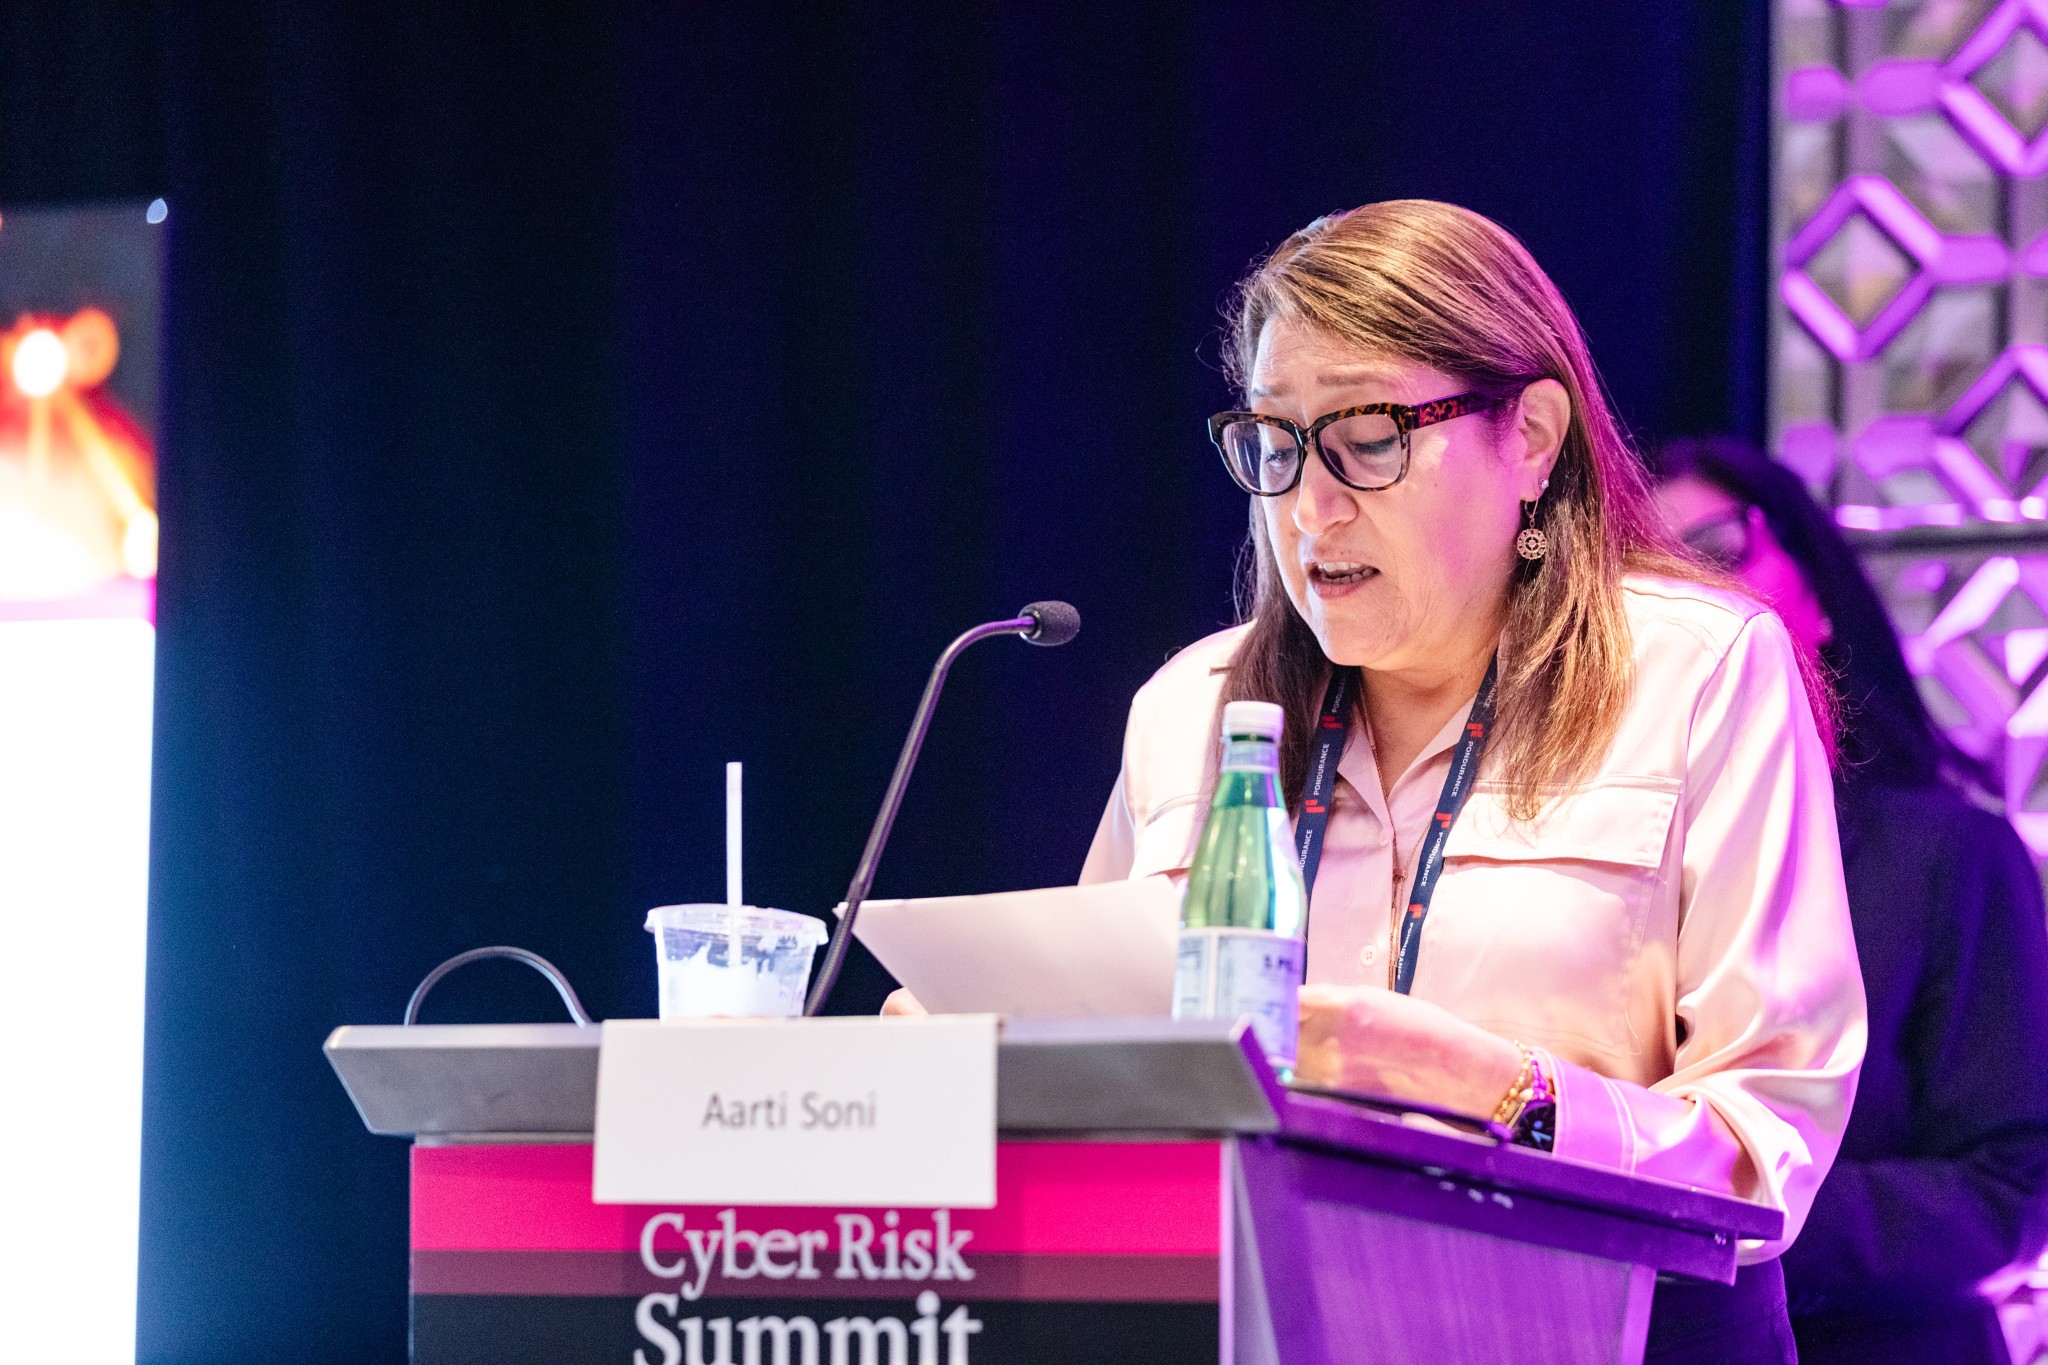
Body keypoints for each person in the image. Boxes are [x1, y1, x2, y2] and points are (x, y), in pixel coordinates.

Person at [1072, 201, 1867, 1362]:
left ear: (1530, 437)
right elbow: (1101, 1066)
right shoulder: (1189, 708)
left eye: (1367, 438)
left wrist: (1493, 1091)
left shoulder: (1696, 671)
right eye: (1276, 443)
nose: (1309, 505)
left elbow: (1765, 1148)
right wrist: (973, 1063)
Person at [1653, 436, 2048, 1364]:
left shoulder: (1948, 854)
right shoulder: (1588, 864)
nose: (1693, 603)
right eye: (1651, 578)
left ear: (1818, 591)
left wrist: (1721, 1208)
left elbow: (2013, 1190)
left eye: (1719, 554)